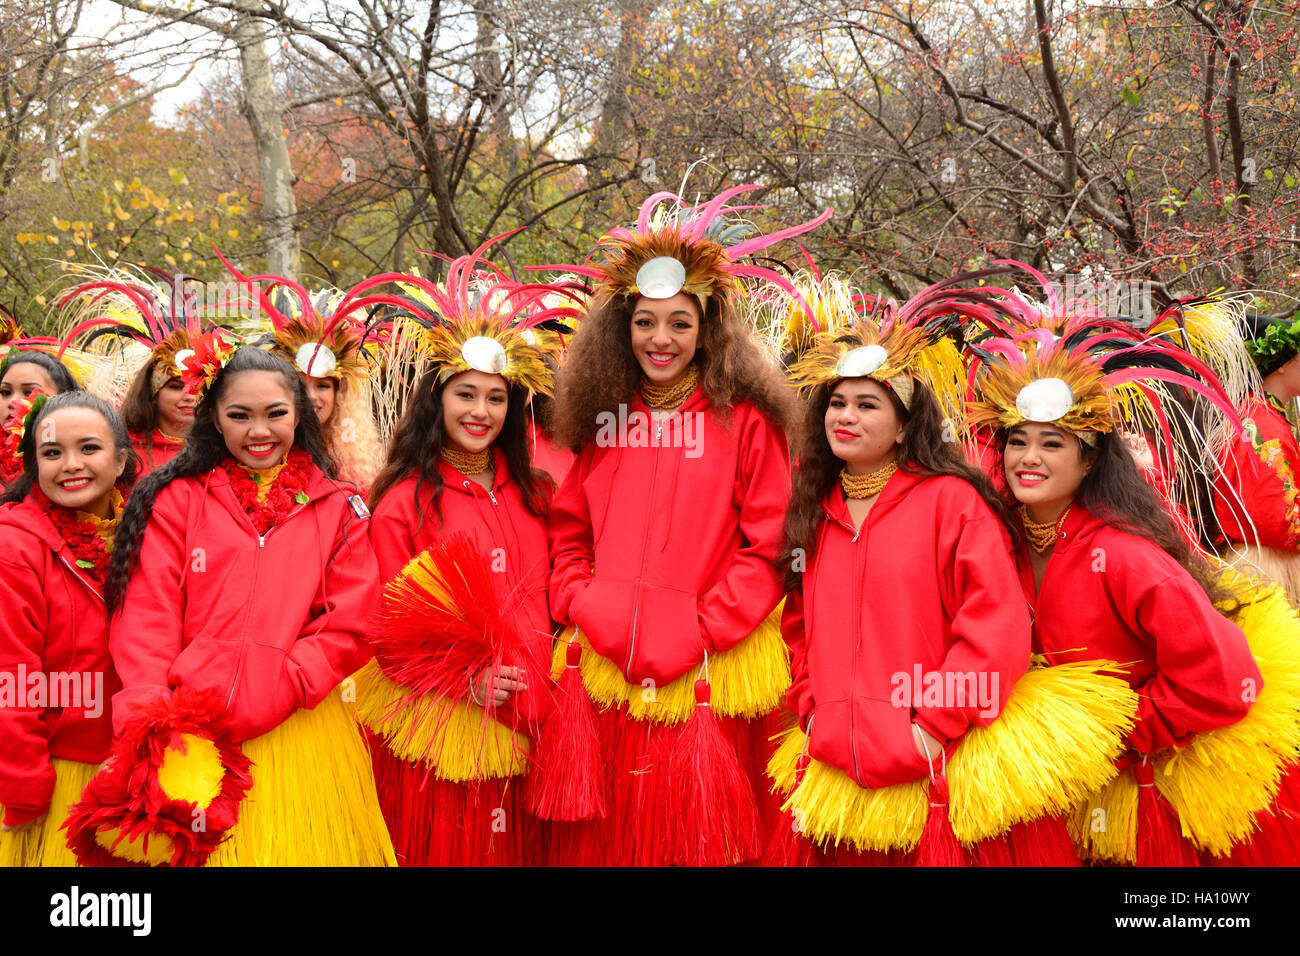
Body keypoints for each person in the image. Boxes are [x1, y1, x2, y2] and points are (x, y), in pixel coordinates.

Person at [768, 274, 1136, 866]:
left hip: (940, 772)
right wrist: (813, 709)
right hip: (837, 768)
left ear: (906, 423)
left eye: (868, 404)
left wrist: (932, 727)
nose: (846, 416)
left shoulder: (950, 502)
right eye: (837, 402)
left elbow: (996, 629)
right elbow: (801, 625)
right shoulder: (816, 507)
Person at [536, 186, 830, 866]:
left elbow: (768, 549)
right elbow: (569, 529)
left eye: (678, 323)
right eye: (645, 322)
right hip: (602, 669)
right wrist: (581, 599)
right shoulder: (604, 418)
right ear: (622, 328)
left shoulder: (746, 422)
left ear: (708, 328)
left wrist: (702, 628)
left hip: (708, 671)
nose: (660, 339)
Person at [967, 320, 1300, 865]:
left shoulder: (1125, 555)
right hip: (1078, 784)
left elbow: (1226, 680)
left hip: (1162, 786)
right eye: (1017, 441)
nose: (1029, 457)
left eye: (1052, 443)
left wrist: (1119, 732)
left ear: (1092, 459)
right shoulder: (1002, 544)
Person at [85, 342, 394, 866]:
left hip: (300, 728)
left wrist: (287, 682)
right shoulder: (177, 499)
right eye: (239, 415)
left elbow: (352, 620)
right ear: (213, 418)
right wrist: (150, 720)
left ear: (300, 414)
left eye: (276, 414)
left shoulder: (337, 506)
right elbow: (147, 613)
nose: (259, 431)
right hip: (189, 735)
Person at [356, 246, 571, 865]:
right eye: (466, 395)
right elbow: (387, 629)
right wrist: (466, 680)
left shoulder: (537, 493)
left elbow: (560, 599)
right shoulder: (403, 504)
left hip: (543, 719)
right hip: (454, 726)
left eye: (496, 398)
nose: (481, 411)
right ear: (436, 400)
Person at [0, 392, 134, 866]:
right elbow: (12, 678)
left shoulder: (152, 529)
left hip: (140, 774)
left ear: (121, 460)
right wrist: (25, 790)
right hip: (59, 780)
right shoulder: (14, 547)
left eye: (89, 449)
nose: (70, 465)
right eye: (52, 453)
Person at [216, 263, 385, 495]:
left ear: (339, 394)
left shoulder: (358, 465)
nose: (311, 395)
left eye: (323, 385)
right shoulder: (254, 449)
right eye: (298, 383)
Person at [57, 268, 214, 474]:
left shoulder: (222, 449)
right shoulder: (121, 450)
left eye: (196, 387)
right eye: (175, 386)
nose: (188, 395)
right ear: (153, 394)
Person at [0, 352, 79, 487]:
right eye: (5, 392)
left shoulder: (79, 462)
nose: (13, 402)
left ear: (62, 398)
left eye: (29, 392)